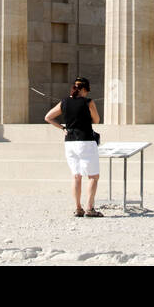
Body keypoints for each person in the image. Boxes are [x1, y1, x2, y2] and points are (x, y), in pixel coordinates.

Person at [45, 77, 103, 218]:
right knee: (93, 176)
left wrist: (62, 127)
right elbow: (96, 120)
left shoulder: (64, 101)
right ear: (84, 89)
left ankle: (78, 208)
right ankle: (90, 208)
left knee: (76, 176)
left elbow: (48, 117)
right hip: (86, 141)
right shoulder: (88, 102)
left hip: (69, 142)